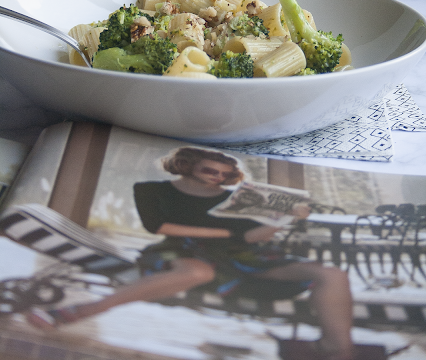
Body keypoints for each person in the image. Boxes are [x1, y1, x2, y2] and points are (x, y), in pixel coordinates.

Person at [27, 146, 354, 360]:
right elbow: (160, 227)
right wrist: (227, 232)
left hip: (241, 255)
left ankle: (337, 349)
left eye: (225, 174)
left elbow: (252, 236)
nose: (219, 177)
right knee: (198, 271)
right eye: (212, 170)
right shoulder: (152, 191)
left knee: (331, 274)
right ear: (186, 164)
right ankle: (84, 310)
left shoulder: (238, 197)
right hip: (182, 250)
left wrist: (284, 218)